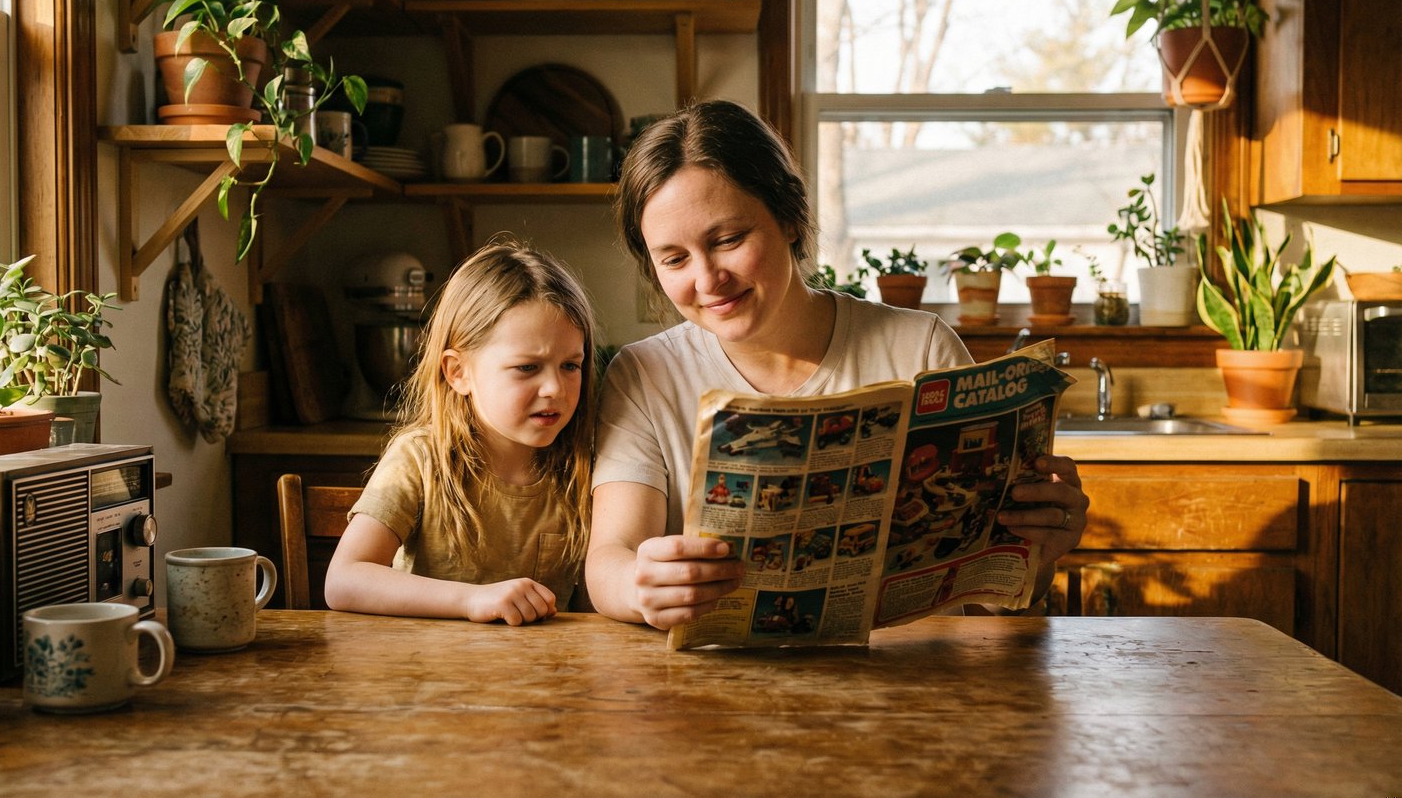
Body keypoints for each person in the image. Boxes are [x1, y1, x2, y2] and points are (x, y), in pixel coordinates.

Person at [585, 100, 1089, 629]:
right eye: (674, 259)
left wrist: (1040, 549)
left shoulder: (919, 348)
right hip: (716, 690)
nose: (708, 280)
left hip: (913, 685)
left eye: (728, 240)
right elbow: (610, 557)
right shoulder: (643, 375)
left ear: (790, 219)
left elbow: (991, 602)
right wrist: (639, 587)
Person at [324, 239, 597, 626]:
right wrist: (473, 600)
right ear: (458, 372)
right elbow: (343, 580)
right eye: (527, 367)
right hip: (427, 678)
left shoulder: (587, 467)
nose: (555, 388)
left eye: (571, 365)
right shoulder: (420, 458)